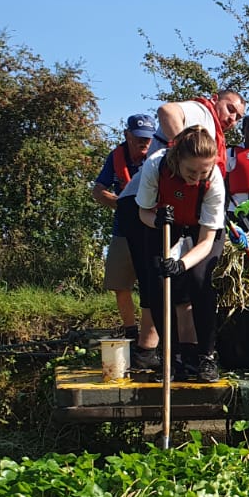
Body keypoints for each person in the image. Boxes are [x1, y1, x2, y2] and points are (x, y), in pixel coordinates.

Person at [127, 125, 227, 383]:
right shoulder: (155, 166)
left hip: (200, 228)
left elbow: (206, 241)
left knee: (199, 281)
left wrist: (181, 264)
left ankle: (206, 357)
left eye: (202, 171)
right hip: (162, 221)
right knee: (158, 283)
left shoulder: (213, 180)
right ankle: (169, 357)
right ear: (178, 160)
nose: (196, 177)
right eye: (191, 170)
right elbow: (143, 213)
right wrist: (158, 220)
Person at [91, 113, 156, 336]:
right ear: (127, 135)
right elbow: (98, 189)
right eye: (139, 137)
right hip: (124, 230)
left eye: (148, 137)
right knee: (119, 283)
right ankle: (131, 331)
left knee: (154, 284)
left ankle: (155, 336)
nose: (144, 142)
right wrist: (117, 203)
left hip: (152, 229)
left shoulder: (159, 158)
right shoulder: (116, 157)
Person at [153, 90, 245, 151]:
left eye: (237, 118)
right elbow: (167, 110)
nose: (232, 119)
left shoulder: (212, 128)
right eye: (230, 109)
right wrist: (185, 152)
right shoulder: (203, 113)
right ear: (214, 99)